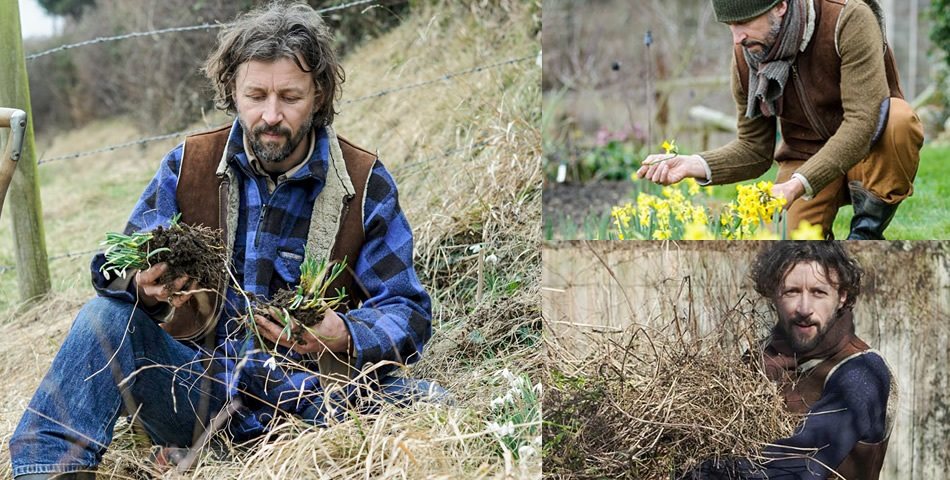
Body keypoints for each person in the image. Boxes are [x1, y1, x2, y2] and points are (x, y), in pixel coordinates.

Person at [9, 3, 441, 478]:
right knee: (103, 319)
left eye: (290, 97)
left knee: (433, 404)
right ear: (231, 90)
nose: (270, 115)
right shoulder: (188, 166)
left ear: (318, 95)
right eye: (255, 95)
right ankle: (49, 469)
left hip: (313, 401)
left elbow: (408, 311)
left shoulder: (364, 184)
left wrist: (344, 333)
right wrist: (141, 286)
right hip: (196, 391)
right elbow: (115, 263)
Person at [636, 0, 924, 239]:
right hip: (805, 155)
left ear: (781, 6)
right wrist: (693, 164)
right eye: (730, 26)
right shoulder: (748, 54)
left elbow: (861, 123)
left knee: (898, 120)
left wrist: (796, 185)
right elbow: (754, 149)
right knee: (784, 245)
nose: (737, 38)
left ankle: (865, 236)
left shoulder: (847, 19)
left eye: (744, 22)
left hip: (869, 147)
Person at [687, 242, 897, 479]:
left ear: (841, 297)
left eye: (819, 292)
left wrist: (698, 473)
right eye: (792, 291)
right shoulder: (758, 359)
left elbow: (800, 465)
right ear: (773, 295)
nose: (804, 308)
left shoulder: (862, 371)